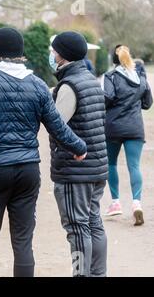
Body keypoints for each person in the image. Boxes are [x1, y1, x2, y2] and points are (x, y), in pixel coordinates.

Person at [0, 27, 87, 277]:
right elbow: (57, 126)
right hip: (28, 171)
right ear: (21, 54)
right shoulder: (37, 86)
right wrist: (79, 148)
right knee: (23, 242)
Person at [49, 31, 108, 277]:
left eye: (53, 51)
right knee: (94, 224)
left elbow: (57, 125)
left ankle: (81, 274)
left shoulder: (69, 85)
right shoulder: (91, 79)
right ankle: (97, 274)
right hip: (96, 167)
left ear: (62, 55)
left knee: (77, 228)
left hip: (76, 171)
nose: (51, 55)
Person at [103, 45, 153, 226]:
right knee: (134, 166)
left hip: (113, 127)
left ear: (113, 60)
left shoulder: (110, 77)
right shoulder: (140, 77)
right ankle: (136, 203)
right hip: (135, 128)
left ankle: (115, 203)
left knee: (111, 163)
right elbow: (147, 103)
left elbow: (106, 98)